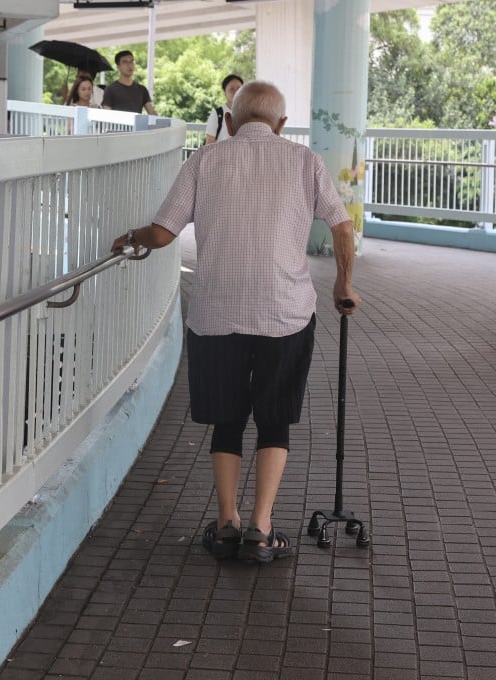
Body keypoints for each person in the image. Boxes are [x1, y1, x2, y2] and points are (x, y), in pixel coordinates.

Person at [110, 81, 361, 564]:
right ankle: (261, 529)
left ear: (229, 121)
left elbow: (162, 233)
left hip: (215, 315)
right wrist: (343, 285)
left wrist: (126, 238)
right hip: (285, 314)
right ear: (282, 125)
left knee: (227, 422)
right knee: (274, 420)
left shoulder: (205, 161)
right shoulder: (305, 161)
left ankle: (226, 525)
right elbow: (342, 225)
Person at [102, 51, 157, 115]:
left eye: (131, 62)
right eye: (125, 62)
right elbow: (106, 115)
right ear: (118, 67)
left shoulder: (142, 90)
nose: (129, 65)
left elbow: (152, 112)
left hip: (137, 124)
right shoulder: (110, 89)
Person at [204, 74, 243, 144]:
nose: (236, 92)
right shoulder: (218, 114)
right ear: (224, 92)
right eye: (231, 89)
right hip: (221, 154)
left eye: (239, 89)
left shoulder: (248, 114)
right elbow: (209, 143)